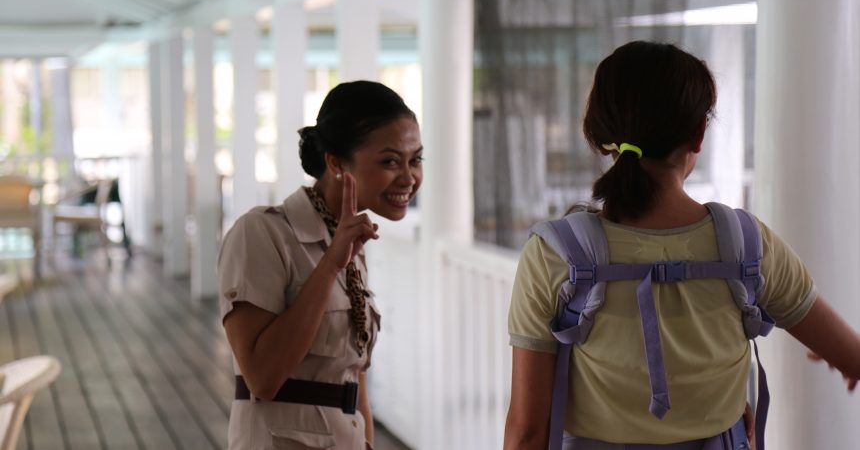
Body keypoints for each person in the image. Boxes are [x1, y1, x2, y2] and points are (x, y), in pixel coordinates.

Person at [503, 41, 860, 449]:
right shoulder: (746, 244)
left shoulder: (555, 253)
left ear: (600, 135)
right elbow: (850, 353)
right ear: (697, 134)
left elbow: (528, 430)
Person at [218, 81, 423, 450]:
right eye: (391, 161)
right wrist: (329, 265)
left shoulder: (347, 240)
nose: (409, 177)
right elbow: (262, 378)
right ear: (336, 162)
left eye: (415, 159)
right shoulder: (262, 233)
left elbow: (352, 379)